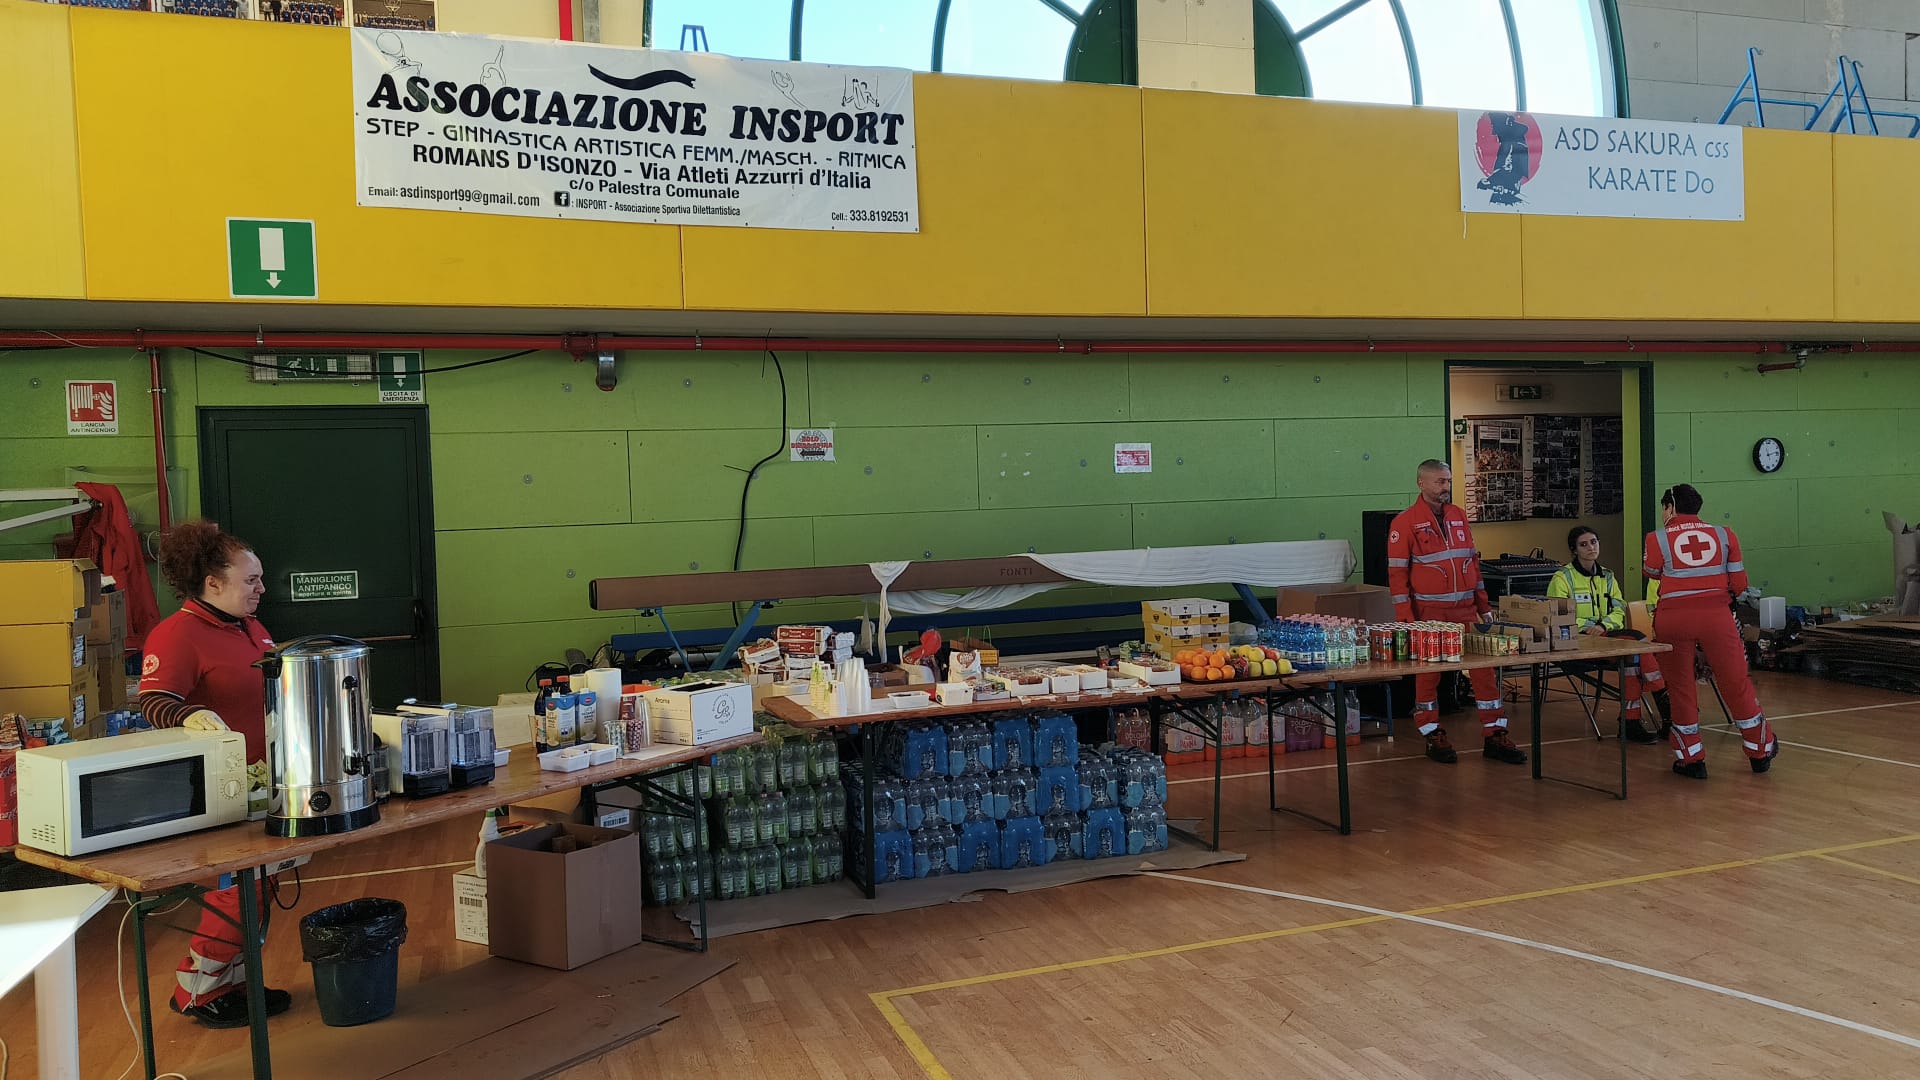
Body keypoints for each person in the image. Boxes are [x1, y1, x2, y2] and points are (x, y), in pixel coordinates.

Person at [136, 520, 292, 1028]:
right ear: (213, 583)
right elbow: (154, 701)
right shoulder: (177, 634)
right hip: (220, 790)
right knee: (235, 892)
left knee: (261, 886)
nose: (261, 588)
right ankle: (196, 989)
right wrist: (189, 715)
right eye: (251, 580)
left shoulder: (250, 627)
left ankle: (235, 981)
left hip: (263, 783)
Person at [1387, 460, 1527, 765]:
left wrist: (1483, 606)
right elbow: (1397, 576)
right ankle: (1432, 732)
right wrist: (1407, 619)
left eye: (1448, 481)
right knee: (1428, 677)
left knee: (1484, 671)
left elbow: (1472, 565)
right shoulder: (1404, 522)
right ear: (1421, 483)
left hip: (1465, 612)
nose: (1446, 487)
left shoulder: (1459, 516)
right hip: (1429, 615)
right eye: (1439, 481)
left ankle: (1495, 733)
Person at [1642, 485, 1778, 779]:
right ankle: (1760, 750)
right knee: (1735, 681)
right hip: (1717, 618)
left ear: (1670, 507)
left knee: (1680, 687)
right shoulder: (1725, 535)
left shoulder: (1656, 538)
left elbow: (1651, 572)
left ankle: (1691, 759)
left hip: (1672, 619)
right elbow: (1739, 584)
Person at [1547, 526, 1671, 743]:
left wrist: (1603, 625)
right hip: (1578, 639)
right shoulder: (1562, 578)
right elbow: (1557, 615)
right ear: (1574, 550)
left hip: (1605, 635)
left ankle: (1630, 721)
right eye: (1584, 544)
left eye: (1594, 542)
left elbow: (1619, 609)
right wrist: (1587, 627)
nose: (1591, 547)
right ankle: (1665, 702)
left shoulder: (1608, 576)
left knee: (1632, 656)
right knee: (1637, 642)